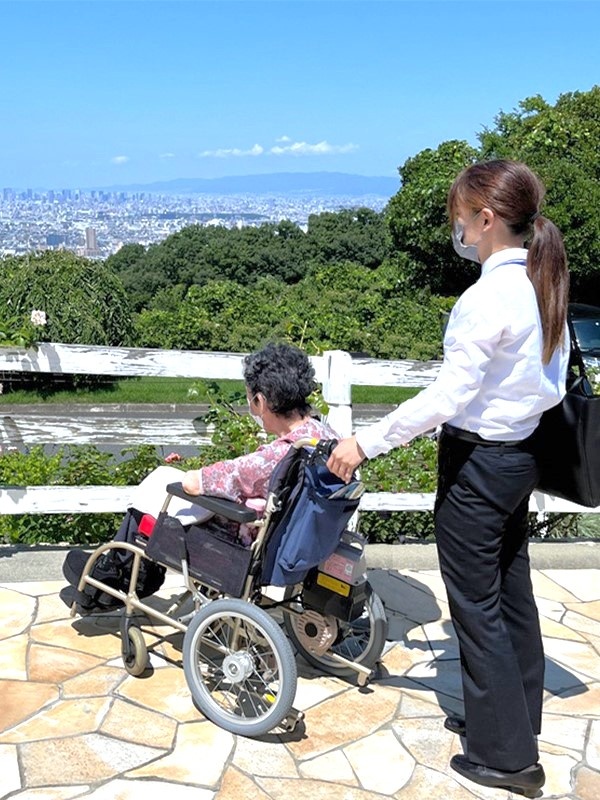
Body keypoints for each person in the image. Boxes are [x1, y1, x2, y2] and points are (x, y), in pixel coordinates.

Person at [327, 159, 570, 797]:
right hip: (518, 458)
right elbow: (547, 389)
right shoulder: (545, 288)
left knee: (477, 607)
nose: (457, 230)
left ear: (485, 219)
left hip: (477, 464)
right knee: (510, 594)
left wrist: (366, 442)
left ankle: (507, 757)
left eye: (460, 219)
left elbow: (448, 395)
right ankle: (514, 720)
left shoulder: (487, 297)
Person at [62, 342, 338, 610]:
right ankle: (117, 572)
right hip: (289, 538)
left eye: (251, 400)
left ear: (261, 400)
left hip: (239, 545)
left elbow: (197, 483)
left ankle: (116, 576)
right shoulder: (324, 438)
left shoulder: (278, 457)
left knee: (160, 491)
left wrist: (191, 477)